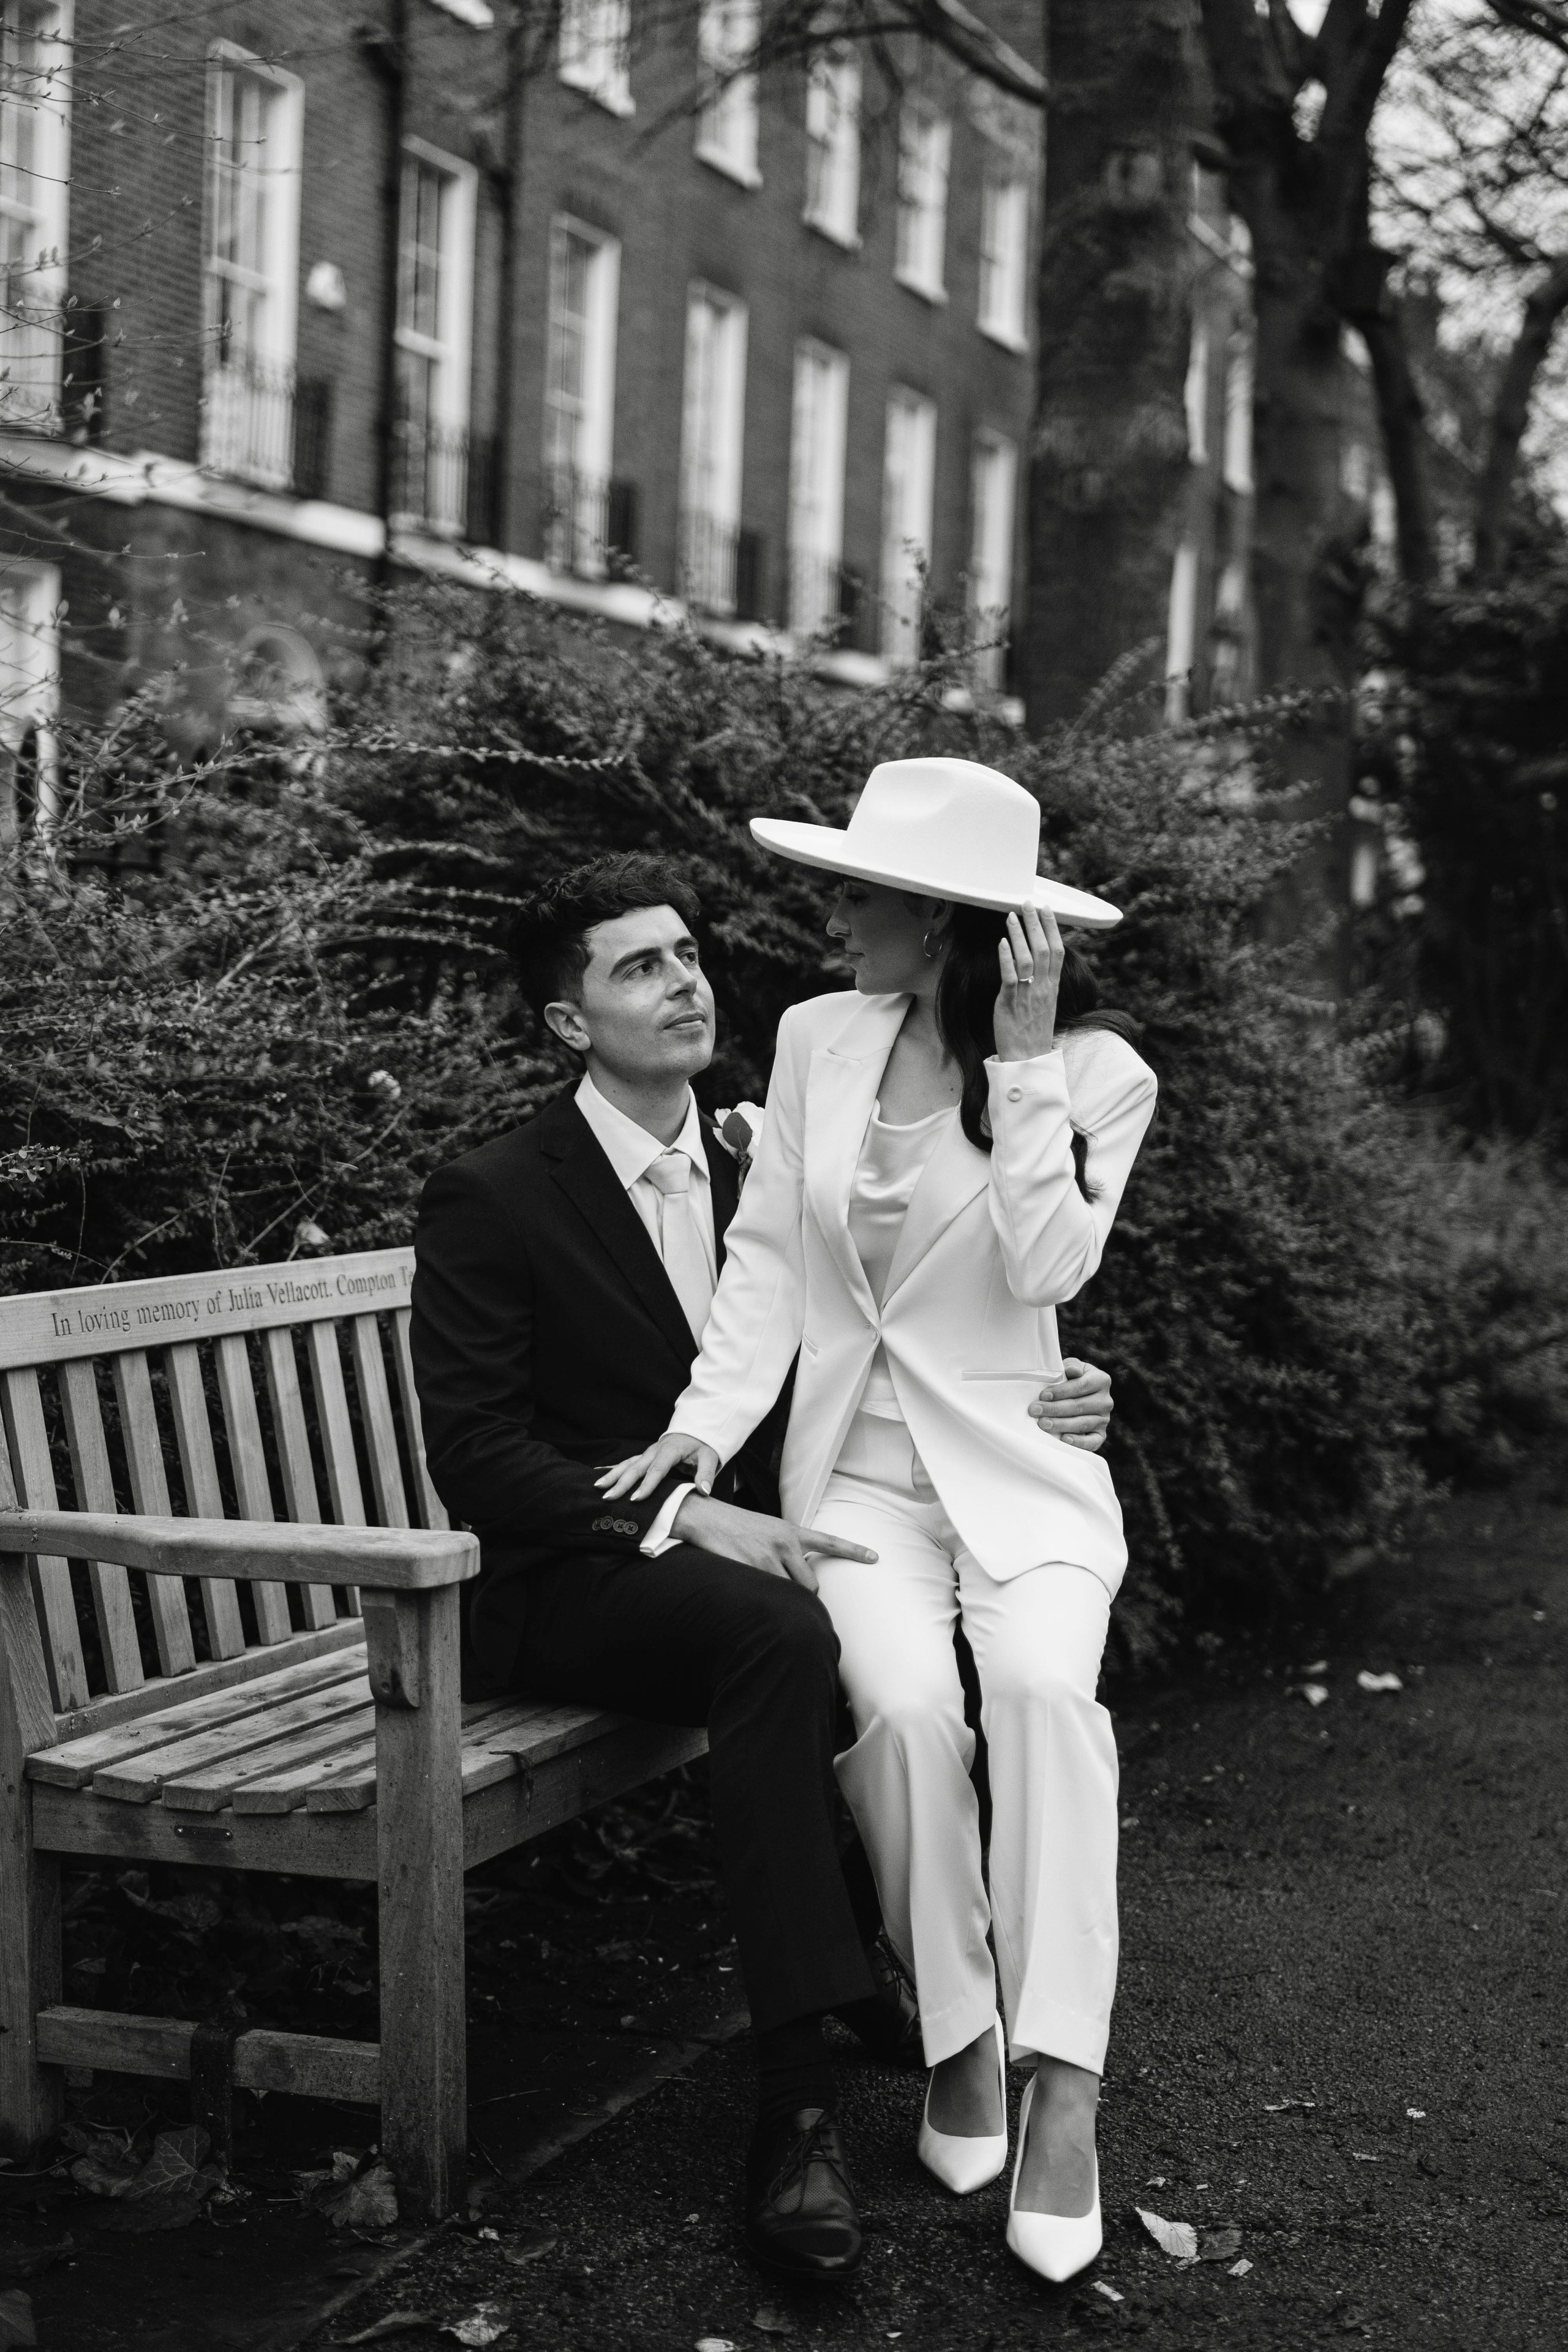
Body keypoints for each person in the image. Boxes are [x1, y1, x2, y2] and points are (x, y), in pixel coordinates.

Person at [409, 851, 1116, 2282]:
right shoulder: (498, 1189)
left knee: (996, 1690)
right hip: (608, 1564)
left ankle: (1018, 2061)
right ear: (566, 1023)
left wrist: (1072, 1384)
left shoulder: (771, 1121)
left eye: (685, 956)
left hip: (878, 1511)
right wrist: (685, 1494)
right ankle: (830, 2082)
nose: (690, 980)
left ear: (933, 923)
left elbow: (976, 1291)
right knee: (826, 1662)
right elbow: (483, 1457)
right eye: (640, 966)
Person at [600, 763, 1157, 2285]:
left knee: (1045, 1697)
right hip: (854, 1483)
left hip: (1023, 1478)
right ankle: (960, 2031)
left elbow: (1048, 1271)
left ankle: (1064, 2091)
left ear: (940, 919)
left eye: (859, 892)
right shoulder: (813, 1040)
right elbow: (769, 1263)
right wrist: (700, 1438)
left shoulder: (1099, 1072)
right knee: (904, 1715)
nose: (829, 912)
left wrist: (1027, 1063)